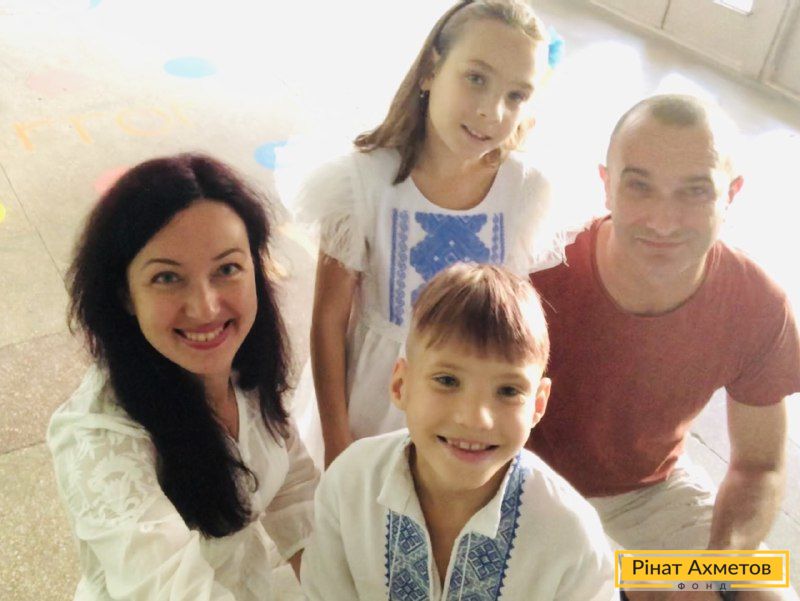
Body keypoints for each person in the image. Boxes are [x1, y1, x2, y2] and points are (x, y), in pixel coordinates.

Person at [527, 95, 800, 599]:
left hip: (647, 495)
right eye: (640, 186)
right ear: (606, 185)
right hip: (518, 482)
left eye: (694, 192)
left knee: (767, 589)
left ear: (731, 193)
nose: (664, 221)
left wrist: (715, 570)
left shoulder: (759, 303)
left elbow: (760, 466)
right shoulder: (538, 270)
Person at [295, 0, 566, 468]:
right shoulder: (361, 182)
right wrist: (337, 439)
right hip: (371, 401)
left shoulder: (527, 192)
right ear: (430, 71)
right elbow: (328, 322)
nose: (491, 111)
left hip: (470, 411)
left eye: (516, 95)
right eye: (476, 78)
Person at [47, 154, 319, 600]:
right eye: (168, 277)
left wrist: (337, 583)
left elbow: (295, 488)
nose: (206, 307)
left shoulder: (245, 364)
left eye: (227, 269)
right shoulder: (99, 440)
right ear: (125, 295)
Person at [301, 263, 617, 600]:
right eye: (448, 381)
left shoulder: (571, 537)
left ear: (538, 404)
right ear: (400, 385)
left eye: (508, 391)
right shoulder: (350, 484)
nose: (476, 419)